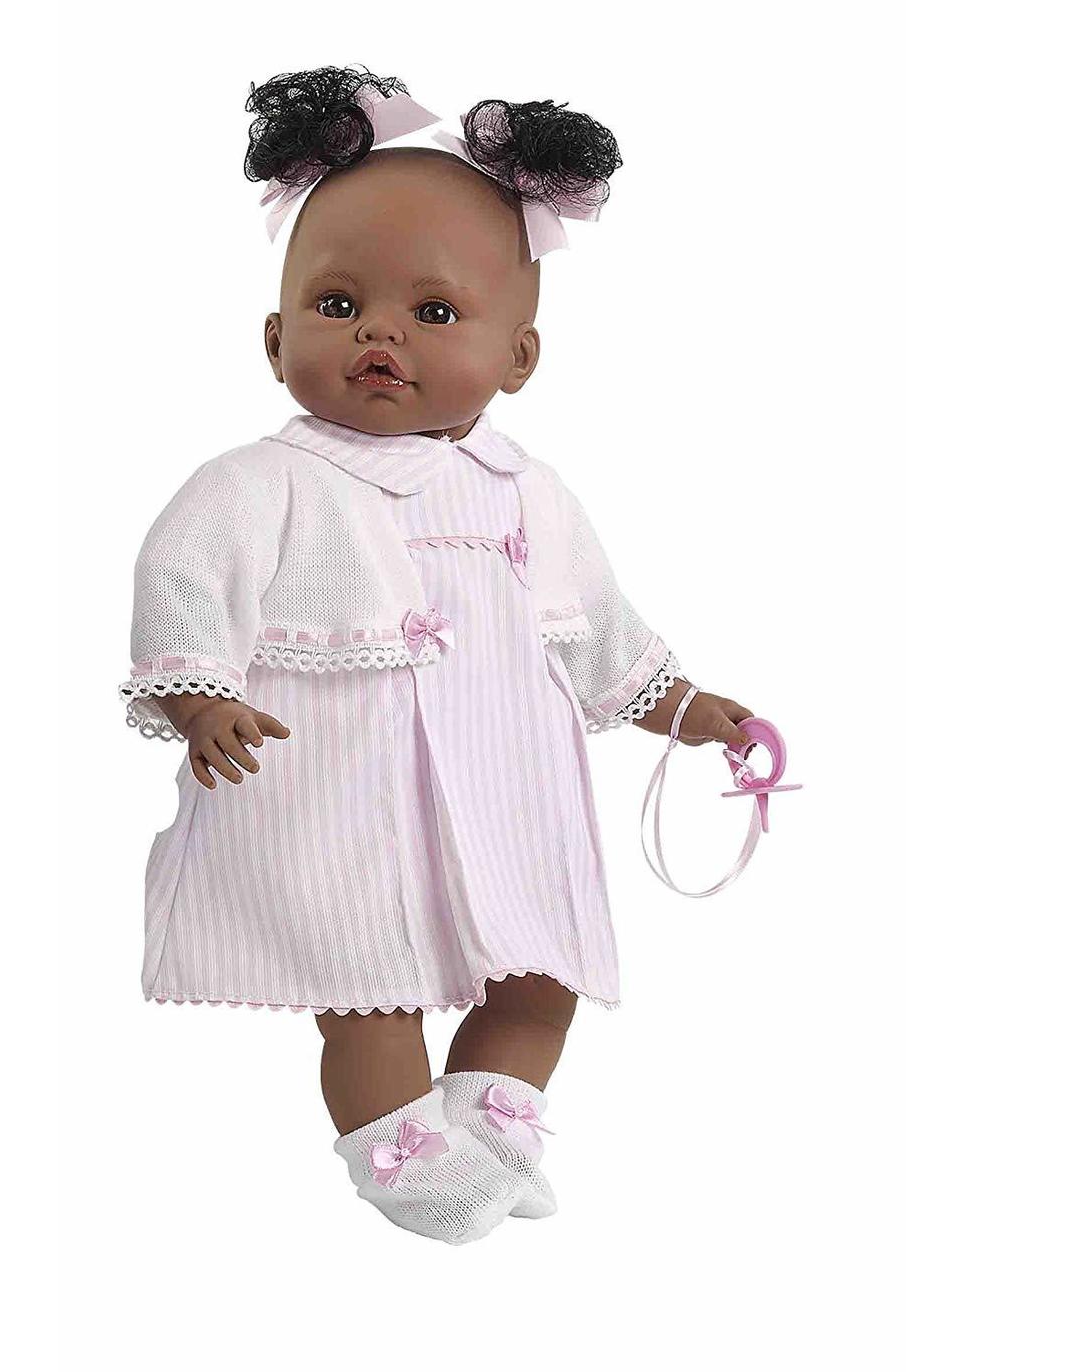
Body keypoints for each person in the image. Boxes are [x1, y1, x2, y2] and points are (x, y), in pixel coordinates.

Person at [119, 65, 754, 1244]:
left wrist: (678, 702)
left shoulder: (528, 490)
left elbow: (596, 623)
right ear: (275, 337)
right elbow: (183, 582)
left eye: (437, 314)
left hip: (508, 791)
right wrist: (203, 700)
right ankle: (407, 1167)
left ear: (520, 356)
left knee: (543, 978)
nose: (380, 335)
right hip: (339, 797)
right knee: (372, 989)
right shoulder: (262, 483)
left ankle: (492, 1139)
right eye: (338, 303)